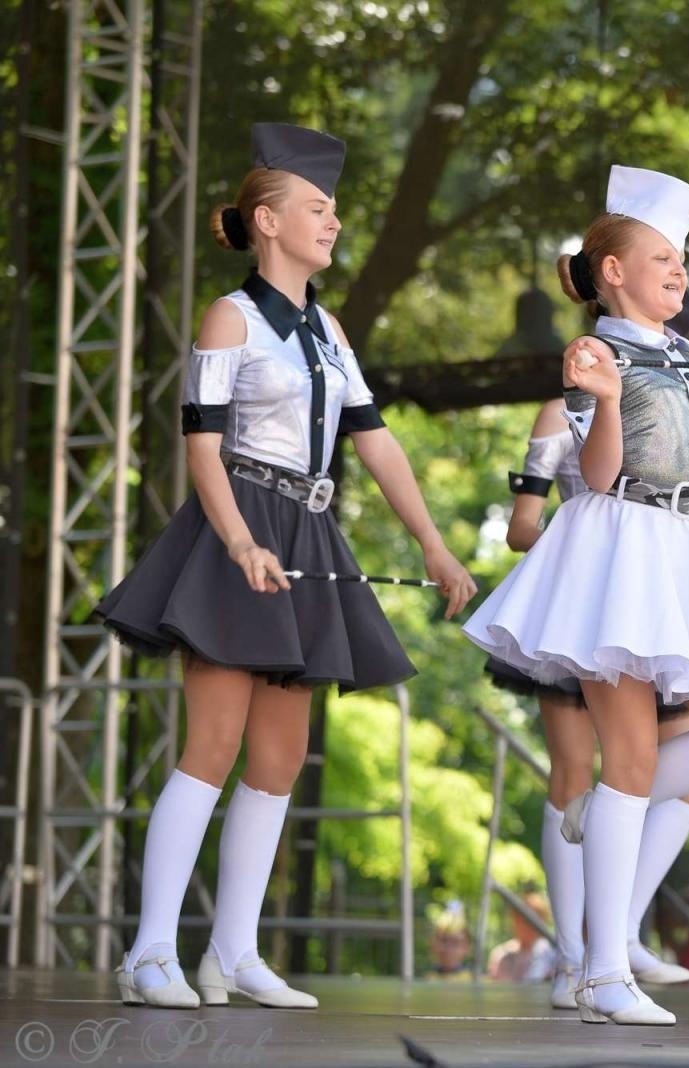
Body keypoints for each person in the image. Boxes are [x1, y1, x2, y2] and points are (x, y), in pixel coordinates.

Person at [96, 124, 475, 1010]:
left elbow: (372, 443)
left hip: (308, 532)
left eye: (334, 210)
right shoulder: (230, 317)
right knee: (213, 746)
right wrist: (236, 541)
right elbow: (201, 443)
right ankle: (151, 951)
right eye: (317, 208)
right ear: (267, 220)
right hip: (238, 525)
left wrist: (432, 539)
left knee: (279, 757)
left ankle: (232, 954)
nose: (333, 222)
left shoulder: (330, 329)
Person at [463, 165, 689, 1026]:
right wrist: (609, 399)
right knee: (629, 756)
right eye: (663, 257)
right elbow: (597, 474)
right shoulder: (596, 353)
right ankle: (601, 969)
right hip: (615, 543)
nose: (680, 272)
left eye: (683, 260)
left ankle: (601, 809)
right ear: (611, 271)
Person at [487, 293, 689, 1009]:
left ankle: (614, 937)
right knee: (574, 771)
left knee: (674, 759)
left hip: (652, 595)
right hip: (586, 598)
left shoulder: (682, 389)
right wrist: (581, 536)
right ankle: (572, 955)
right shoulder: (561, 410)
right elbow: (523, 527)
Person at [487, 891, 558, 982]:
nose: (528, 925)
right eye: (523, 919)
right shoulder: (500, 955)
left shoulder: (553, 955)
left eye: (534, 919)